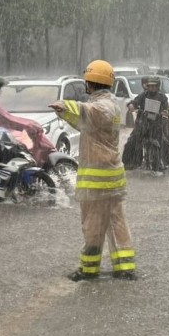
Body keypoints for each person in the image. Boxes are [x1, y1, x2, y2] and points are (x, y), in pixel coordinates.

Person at [50, 60, 135, 281]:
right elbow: (85, 119)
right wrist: (69, 110)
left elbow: (88, 112)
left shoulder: (101, 107)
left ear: (91, 83)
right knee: (117, 225)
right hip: (113, 179)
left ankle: (88, 270)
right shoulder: (112, 104)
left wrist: (64, 106)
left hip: (97, 182)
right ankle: (124, 268)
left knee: (93, 227)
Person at [0, 73, 57, 166]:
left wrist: (28, 123)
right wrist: (27, 126)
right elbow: (6, 119)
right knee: (20, 150)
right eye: (0, 87)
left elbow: (6, 117)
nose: (0, 90)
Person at [125, 75, 169, 169]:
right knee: (131, 141)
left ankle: (167, 164)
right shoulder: (143, 95)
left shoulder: (162, 98)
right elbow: (134, 102)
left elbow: (167, 109)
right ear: (147, 86)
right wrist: (131, 105)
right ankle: (130, 164)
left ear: (158, 86)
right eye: (150, 86)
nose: (152, 88)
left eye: (154, 86)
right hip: (142, 126)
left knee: (165, 143)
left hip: (156, 127)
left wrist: (165, 112)